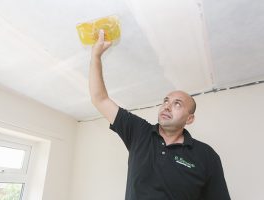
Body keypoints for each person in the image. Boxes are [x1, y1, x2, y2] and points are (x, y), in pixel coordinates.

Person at [89, 29, 231, 200]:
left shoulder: (207, 155)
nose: (167, 106)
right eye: (166, 101)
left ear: (189, 118)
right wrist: (96, 56)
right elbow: (100, 99)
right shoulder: (139, 132)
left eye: (177, 104)